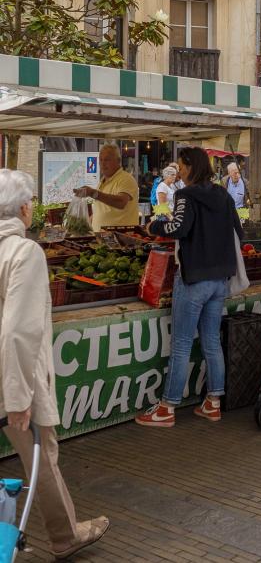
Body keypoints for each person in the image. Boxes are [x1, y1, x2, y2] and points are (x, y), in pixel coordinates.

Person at [0, 169, 109, 558]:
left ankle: (65, 531)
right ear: (26, 208)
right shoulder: (24, 252)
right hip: (13, 378)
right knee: (40, 455)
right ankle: (65, 536)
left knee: (41, 457)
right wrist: (17, 396)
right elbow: (17, 331)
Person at [136, 146, 242, 428]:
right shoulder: (222, 193)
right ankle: (213, 402)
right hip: (221, 279)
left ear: (191, 167)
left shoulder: (185, 195)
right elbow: (238, 230)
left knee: (182, 343)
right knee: (211, 341)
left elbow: (179, 228)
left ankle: (167, 406)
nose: (179, 171)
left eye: (182, 166)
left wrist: (155, 227)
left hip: (194, 278)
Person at [74, 143, 139, 231]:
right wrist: (88, 222)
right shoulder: (103, 181)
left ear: (118, 161)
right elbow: (104, 210)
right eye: (101, 160)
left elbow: (121, 202)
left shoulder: (126, 179)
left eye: (107, 160)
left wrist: (93, 193)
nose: (103, 163)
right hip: (102, 238)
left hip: (120, 240)